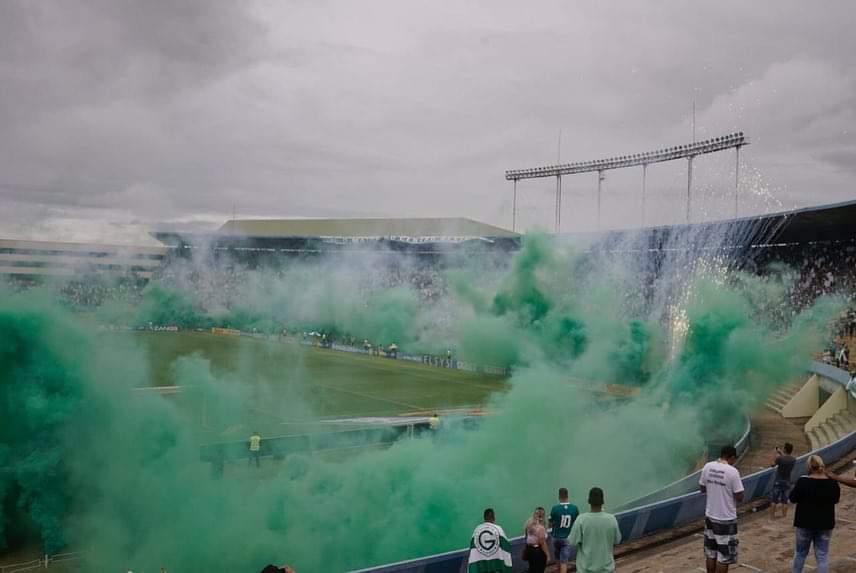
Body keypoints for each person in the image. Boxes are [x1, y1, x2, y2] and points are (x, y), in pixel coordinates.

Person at [789, 455, 840, 573]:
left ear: (809, 467)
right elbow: (836, 499)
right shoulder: (832, 483)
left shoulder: (803, 481)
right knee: (822, 555)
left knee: (800, 554)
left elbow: (792, 498)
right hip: (825, 524)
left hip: (804, 523)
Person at [699, 445, 745, 573]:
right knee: (725, 556)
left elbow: (702, 488)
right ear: (731, 457)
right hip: (726, 519)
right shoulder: (732, 471)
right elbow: (740, 495)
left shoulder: (708, 467)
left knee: (711, 553)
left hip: (710, 516)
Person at [568, 487, 621, 573]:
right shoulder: (612, 519)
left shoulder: (581, 519)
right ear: (602, 501)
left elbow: (572, 542)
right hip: (606, 570)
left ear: (589, 501)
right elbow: (617, 540)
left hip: (585, 570)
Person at [467, 508, 512, 573]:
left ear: (484, 518)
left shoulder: (477, 530)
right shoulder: (498, 529)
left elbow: (473, 548)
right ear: (493, 517)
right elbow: (506, 546)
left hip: (482, 566)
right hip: (496, 566)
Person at [549, 487, 579, 573]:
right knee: (564, 562)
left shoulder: (555, 508)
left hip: (556, 537)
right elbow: (576, 523)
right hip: (567, 538)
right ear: (567, 495)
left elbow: (550, 524)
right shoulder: (574, 508)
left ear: (559, 496)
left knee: (558, 558)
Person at [770, 443, 797, 520]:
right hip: (787, 481)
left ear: (785, 449)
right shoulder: (793, 460)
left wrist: (774, 455)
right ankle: (784, 517)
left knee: (774, 500)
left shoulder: (779, 459)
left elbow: (772, 465)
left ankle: (772, 517)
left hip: (778, 481)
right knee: (785, 501)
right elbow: (785, 457)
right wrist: (780, 452)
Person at [522, 506, 550, 573]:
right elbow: (542, 543)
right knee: (540, 569)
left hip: (529, 549)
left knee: (532, 568)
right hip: (538, 551)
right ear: (543, 515)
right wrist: (548, 555)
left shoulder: (528, 523)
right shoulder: (541, 528)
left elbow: (526, 536)